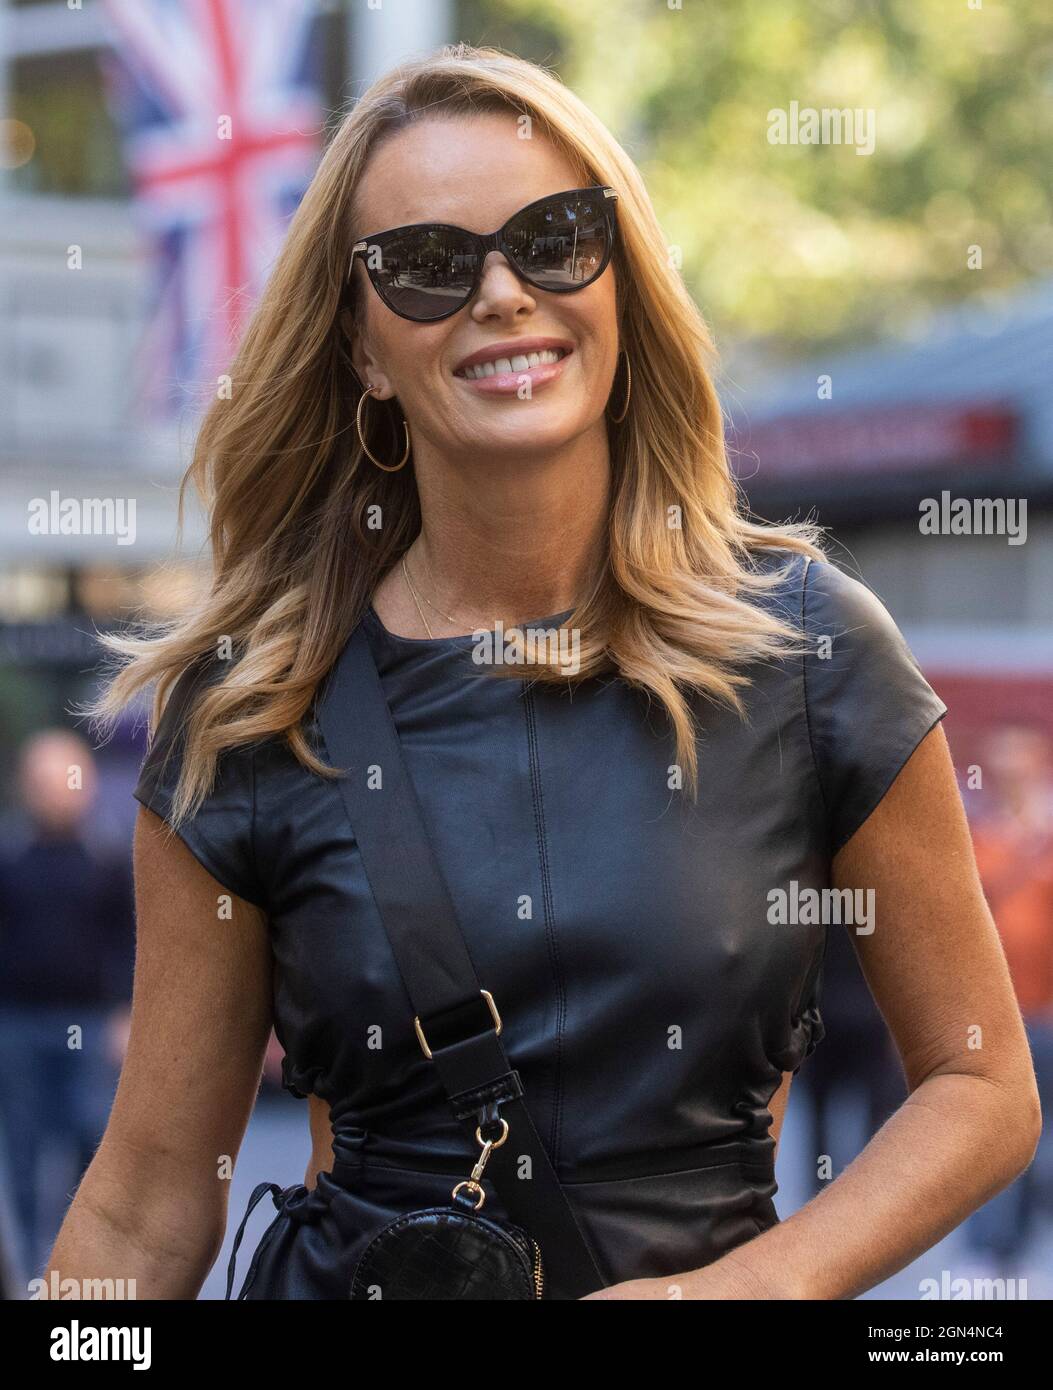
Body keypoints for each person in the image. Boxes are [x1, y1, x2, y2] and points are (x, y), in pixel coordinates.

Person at [49, 43, 1038, 1300]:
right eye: (427, 266)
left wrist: (733, 1293)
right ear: (361, 348)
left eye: (558, 236)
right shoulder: (252, 709)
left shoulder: (808, 649)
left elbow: (982, 1083)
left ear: (619, 280)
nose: (504, 293)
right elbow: (141, 1207)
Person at [0, 731, 134, 1280]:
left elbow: (129, 942)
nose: (55, 793)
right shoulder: (9, 859)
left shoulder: (107, 858)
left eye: (65, 780)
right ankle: (34, 1265)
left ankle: (80, 1268)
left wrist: (127, 1015)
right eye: (43, 781)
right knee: (24, 1151)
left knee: (92, 1145)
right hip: (19, 1026)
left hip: (90, 1027)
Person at [965, 727, 1053, 1267]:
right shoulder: (977, 832)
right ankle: (993, 1248)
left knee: (1039, 1133)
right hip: (992, 1013)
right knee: (991, 1130)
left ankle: (1022, 1232)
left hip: (1044, 1015)